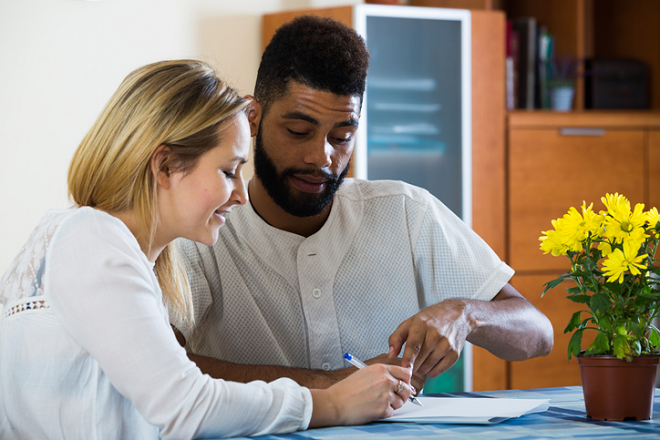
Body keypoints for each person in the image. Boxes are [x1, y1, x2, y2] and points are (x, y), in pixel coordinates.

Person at [0, 60, 414, 440]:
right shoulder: (91, 239)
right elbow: (186, 406)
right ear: (164, 166)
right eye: (228, 171)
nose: (240, 195)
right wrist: (335, 403)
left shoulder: (99, 245)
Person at [176, 15, 554, 393]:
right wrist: (341, 385)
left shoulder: (405, 211)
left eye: (342, 136)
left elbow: (538, 332)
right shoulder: (198, 228)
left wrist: (466, 315)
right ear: (252, 118)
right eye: (298, 132)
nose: (321, 157)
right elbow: (169, 371)